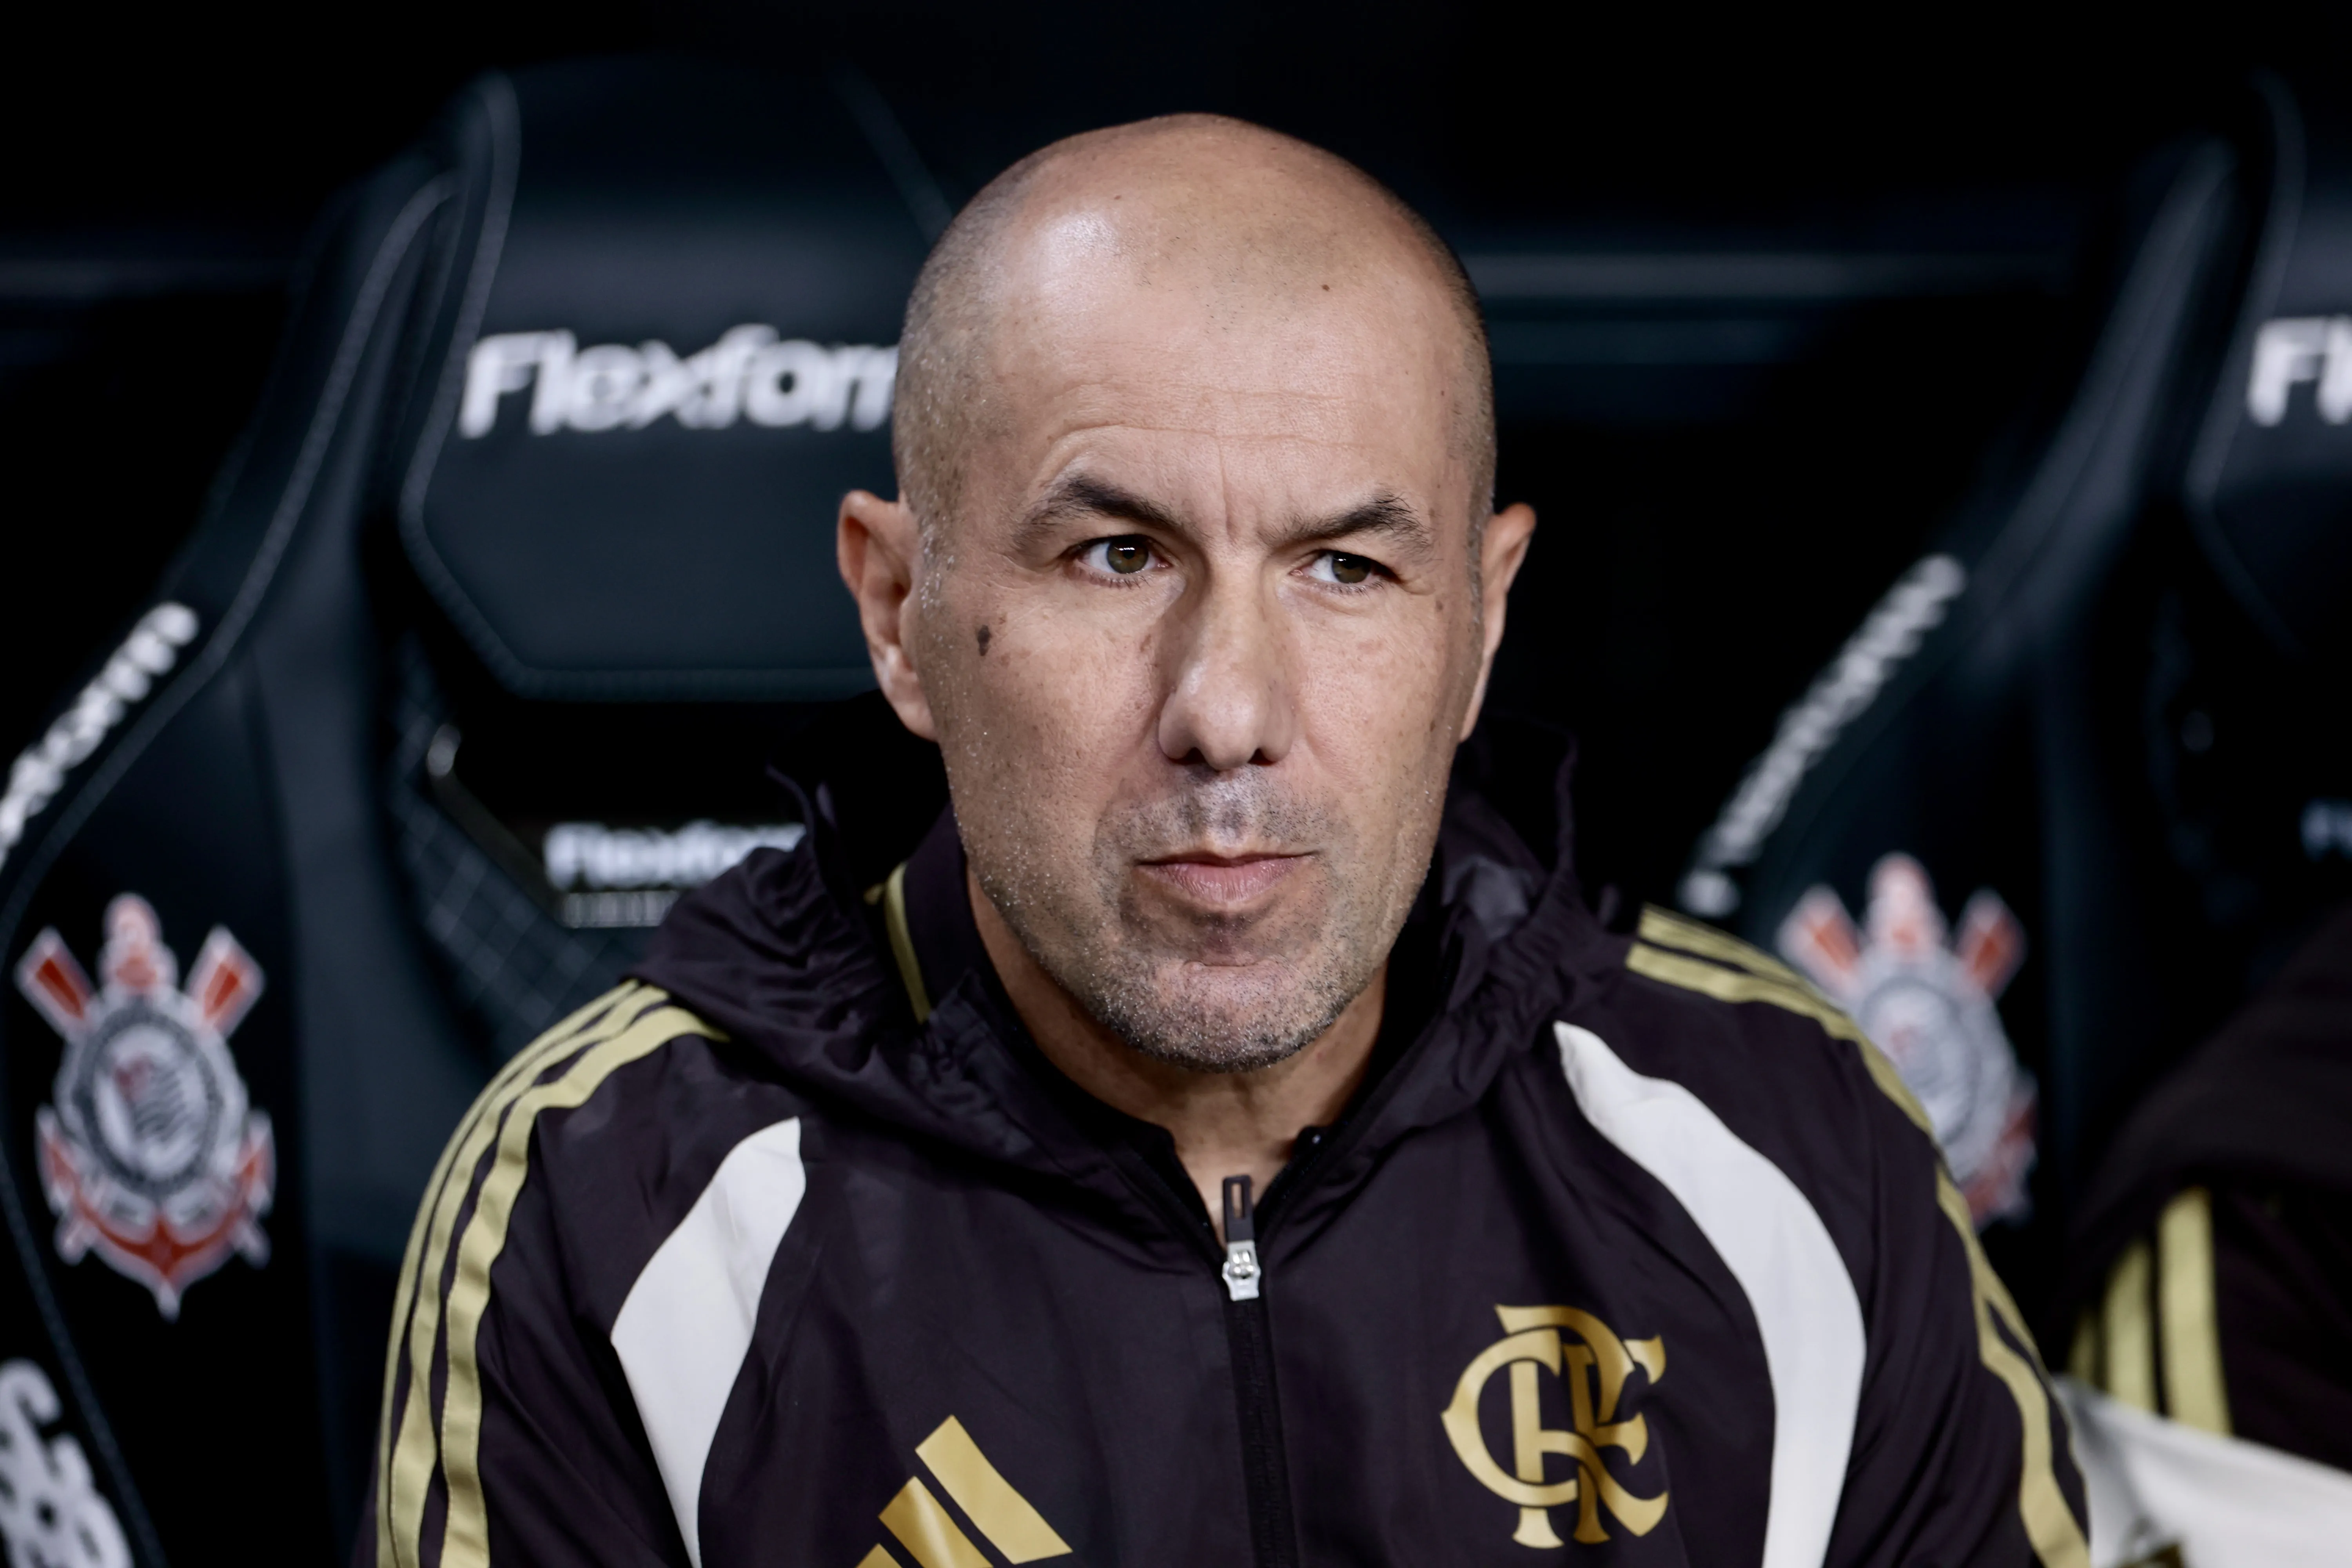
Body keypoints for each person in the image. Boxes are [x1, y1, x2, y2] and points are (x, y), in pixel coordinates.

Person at [370, 115, 2089, 1568]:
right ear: (899, 612)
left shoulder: (1791, 1151)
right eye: (1117, 556)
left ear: (1481, 623)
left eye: (1348, 568)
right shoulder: (615, 1207)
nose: (1229, 709)